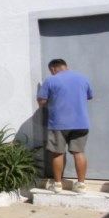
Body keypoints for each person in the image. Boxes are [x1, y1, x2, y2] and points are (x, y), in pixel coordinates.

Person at [37, 58, 94, 193]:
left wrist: (45, 101)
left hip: (58, 123)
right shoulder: (83, 78)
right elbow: (89, 96)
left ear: (53, 69)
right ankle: (81, 185)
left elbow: (42, 101)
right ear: (66, 66)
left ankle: (57, 185)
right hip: (81, 122)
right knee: (79, 152)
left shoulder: (51, 80)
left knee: (57, 153)